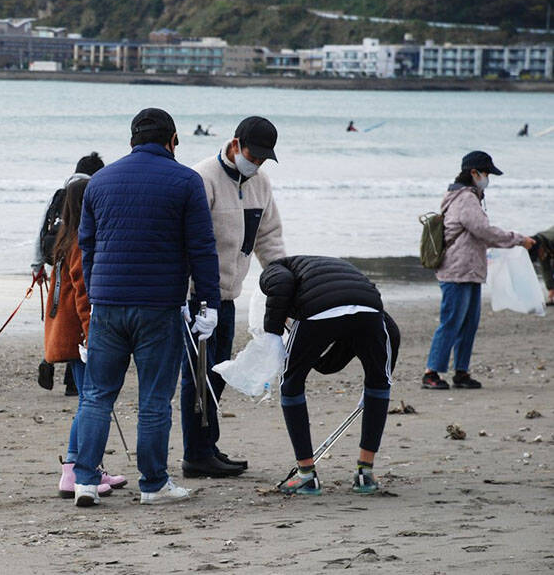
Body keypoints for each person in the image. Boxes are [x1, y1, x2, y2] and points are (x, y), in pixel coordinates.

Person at [70, 108, 220, 507]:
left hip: (107, 304)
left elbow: (88, 248)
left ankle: (85, 480)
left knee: (97, 395)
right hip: (159, 306)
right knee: (154, 398)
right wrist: (208, 303)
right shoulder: (186, 180)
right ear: (173, 140)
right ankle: (152, 483)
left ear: (132, 140)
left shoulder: (99, 182)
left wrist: (96, 295)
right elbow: (202, 248)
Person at [181, 115, 285, 478]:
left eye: (262, 159)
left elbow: (268, 238)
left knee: (218, 372)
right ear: (236, 144)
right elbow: (186, 241)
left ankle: (207, 446)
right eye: (252, 156)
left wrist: (281, 283)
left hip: (228, 295)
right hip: (197, 296)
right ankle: (195, 454)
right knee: (197, 376)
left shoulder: (261, 183)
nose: (255, 164)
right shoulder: (201, 178)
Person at [259, 255, 399, 495]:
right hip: (370, 310)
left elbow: (281, 285)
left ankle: (306, 475)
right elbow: (391, 332)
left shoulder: (274, 268)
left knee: (291, 384)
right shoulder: (340, 270)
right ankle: (365, 474)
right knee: (378, 383)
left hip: (319, 313)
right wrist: (379, 388)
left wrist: (272, 331)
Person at [422, 151, 535, 390]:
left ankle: (461, 372)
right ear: (474, 173)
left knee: (469, 323)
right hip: (456, 270)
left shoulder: (468, 196)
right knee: (452, 321)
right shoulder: (465, 199)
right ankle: (431, 372)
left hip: (470, 270)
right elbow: (483, 230)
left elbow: (480, 234)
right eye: (486, 173)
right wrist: (517, 239)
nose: (487, 178)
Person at [44, 178, 127, 498]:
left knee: (87, 400)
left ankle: (83, 467)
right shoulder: (80, 240)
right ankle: (77, 469)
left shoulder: (66, 238)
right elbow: (83, 293)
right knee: (90, 401)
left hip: (65, 330)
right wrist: (93, 336)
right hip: (78, 333)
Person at [31, 152, 105, 395]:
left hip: (57, 266)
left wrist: (37, 265)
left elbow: (41, 229)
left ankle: (53, 359)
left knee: (63, 315)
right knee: (76, 321)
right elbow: (84, 294)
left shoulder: (61, 195)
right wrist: (92, 335)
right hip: (80, 306)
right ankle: (69, 376)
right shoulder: (87, 195)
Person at [527, 226, 554, 305]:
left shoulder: (551, 240)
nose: (539, 256)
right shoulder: (538, 245)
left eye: (537, 254)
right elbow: (545, 269)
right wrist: (551, 288)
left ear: (540, 247)